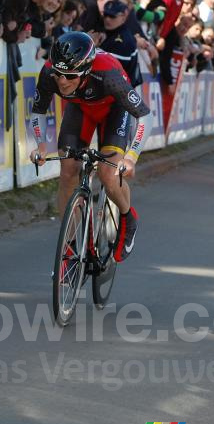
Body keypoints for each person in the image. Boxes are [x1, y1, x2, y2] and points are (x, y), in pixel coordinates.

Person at [29, 32, 150, 262]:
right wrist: (41, 145)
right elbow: (38, 111)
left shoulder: (108, 74)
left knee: (108, 174)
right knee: (67, 171)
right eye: (59, 74)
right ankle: (71, 246)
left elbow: (145, 117)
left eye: (70, 75)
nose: (62, 81)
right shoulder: (49, 72)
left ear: (85, 71)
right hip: (80, 109)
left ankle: (128, 218)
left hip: (114, 111)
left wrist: (131, 157)